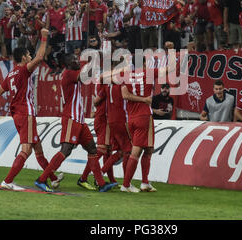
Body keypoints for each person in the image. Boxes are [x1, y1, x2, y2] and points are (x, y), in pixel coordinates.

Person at [34, 53, 118, 193]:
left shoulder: (73, 74)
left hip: (79, 120)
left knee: (92, 149)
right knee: (65, 150)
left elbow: (87, 75)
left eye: (77, 59)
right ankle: (42, 179)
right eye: (73, 60)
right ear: (67, 65)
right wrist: (96, 59)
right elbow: (84, 76)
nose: (77, 61)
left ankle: (101, 184)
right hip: (71, 118)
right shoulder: (68, 74)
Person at [0, 28, 63, 191]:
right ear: (24, 58)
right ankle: (8, 181)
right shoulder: (22, 70)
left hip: (17, 113)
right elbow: (40, 57)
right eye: (28, 55)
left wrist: (15, 95)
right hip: (25, 113)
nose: (30, 57)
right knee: (26, 149)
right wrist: (44, 37)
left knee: (37, 148)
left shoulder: (12, 74)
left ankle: (53, 178)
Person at [120, 56, 158, 193]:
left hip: (131, 117)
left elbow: (125, 95)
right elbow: (170, 70)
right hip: (144, 116)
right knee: (136, 151)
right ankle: (126, 184)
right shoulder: (149, 73)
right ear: (144, 63)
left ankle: (145, 182)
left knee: (148, 149)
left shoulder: (125, 75)